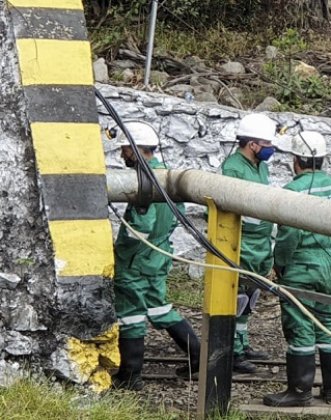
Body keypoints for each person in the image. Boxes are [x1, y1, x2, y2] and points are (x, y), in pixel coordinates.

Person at [263, 131, 331, 407]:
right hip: (329, 266)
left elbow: (288, 236)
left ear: (296, 161)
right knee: (326, 323)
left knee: (300, 325)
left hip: (301, 267)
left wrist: (279, 265)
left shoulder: (294, 192)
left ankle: (300, 391)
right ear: (323, 159)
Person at [111, 121, 200, 390]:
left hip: (136, 260)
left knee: (131, 315)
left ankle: (130, 376)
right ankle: (197, 354)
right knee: (158, 307)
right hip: (157, 256)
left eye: (125, 149)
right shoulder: (165, 175)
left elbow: (140, 227)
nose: (122, 154)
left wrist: (120, 253)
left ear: (135, 149)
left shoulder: (144, 181)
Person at [220, 113, 277, 374]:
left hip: (260, 243)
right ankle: (231, 351)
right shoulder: (233, 168)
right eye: (266, 144)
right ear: (252, 144)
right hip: (242, 243)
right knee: (237, 297)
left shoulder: (260, 166)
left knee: (250, 298)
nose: (270, 149)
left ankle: (242, 344)